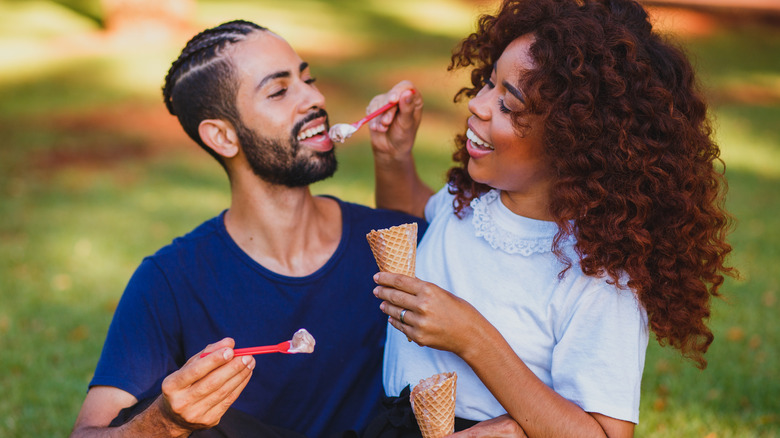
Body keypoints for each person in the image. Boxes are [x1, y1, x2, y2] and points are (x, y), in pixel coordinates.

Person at [365, 0, 735, 437]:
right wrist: (393, 158)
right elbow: (411, 219)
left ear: (571, 140)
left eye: (508, 105)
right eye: (488, 82)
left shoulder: (596, 277)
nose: (479, 105)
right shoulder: (471, 199)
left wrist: (472, 338)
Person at [69, 20, 428, 438]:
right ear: (222, 136)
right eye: (279, 90)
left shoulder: (387, 243)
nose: (315, 97)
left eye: (307, 78)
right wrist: (163, 422)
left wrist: (395, 160)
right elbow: (87, 433)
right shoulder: (170, 280)